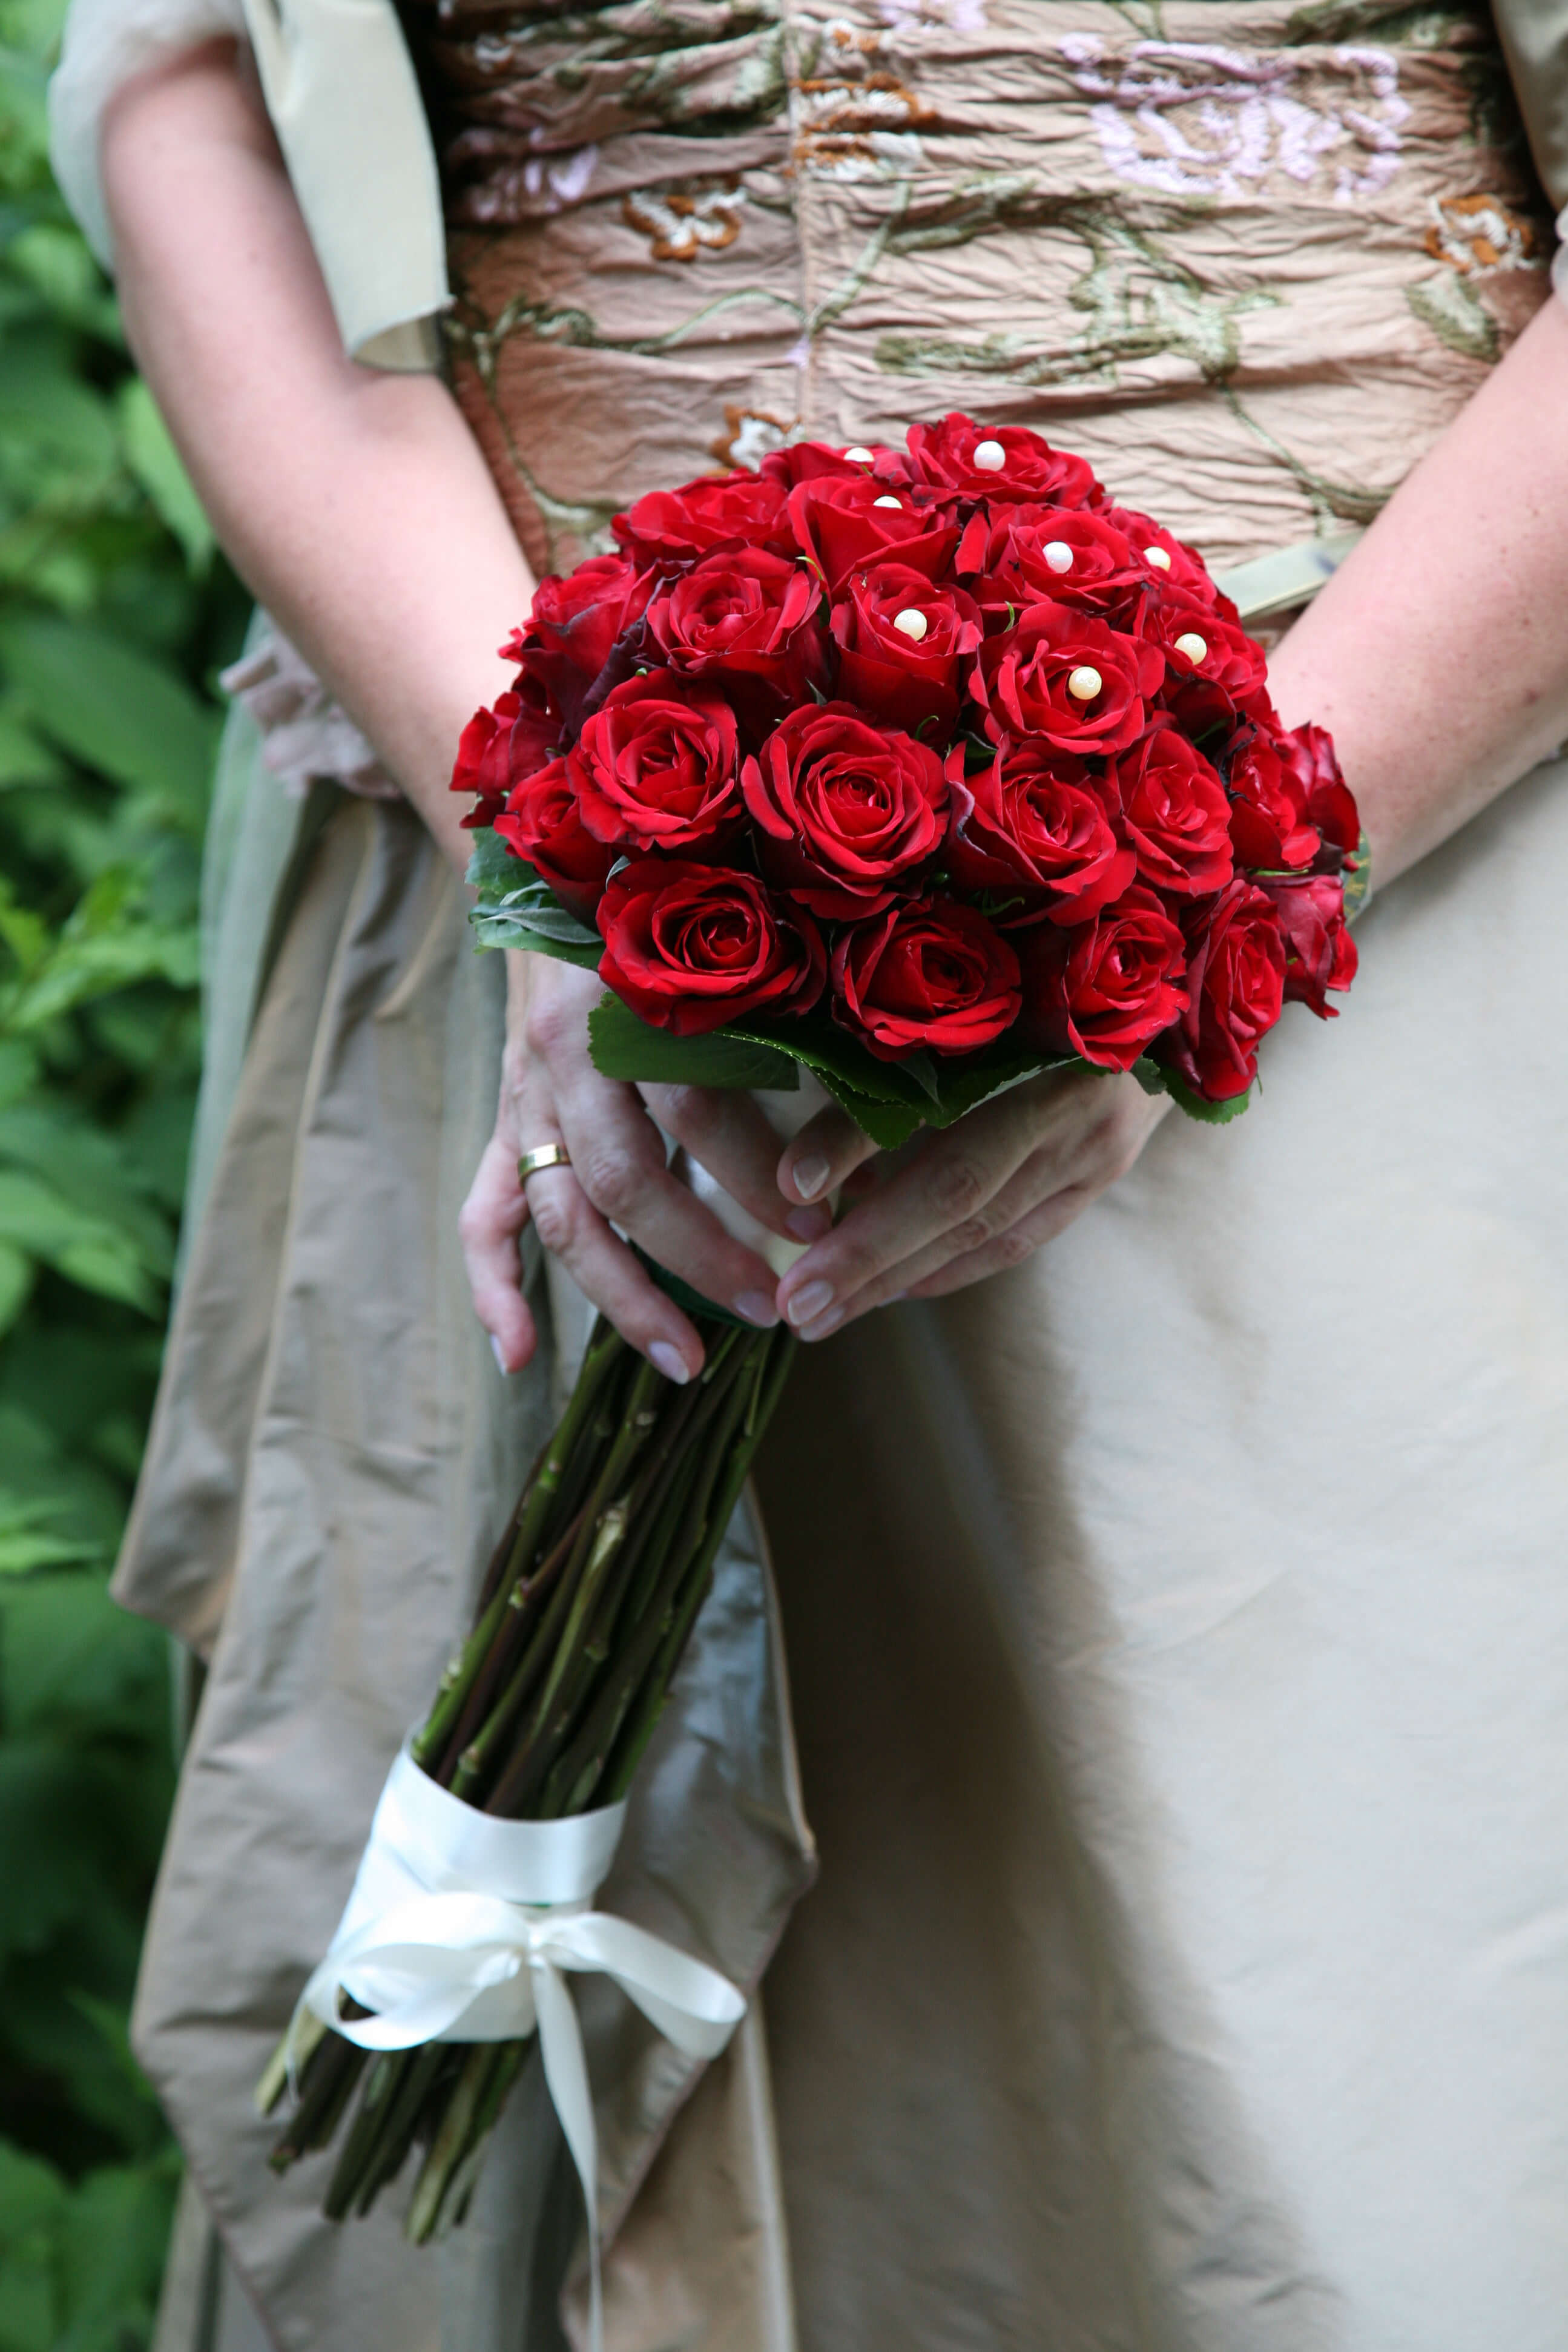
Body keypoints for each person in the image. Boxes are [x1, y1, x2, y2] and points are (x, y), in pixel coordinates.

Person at [45, 4, 1568, 2347]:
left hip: (1364, 890)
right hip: (530, 911)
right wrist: (558, 856)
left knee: (1282, 2108)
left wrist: (1204, 890)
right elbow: (198, 106)